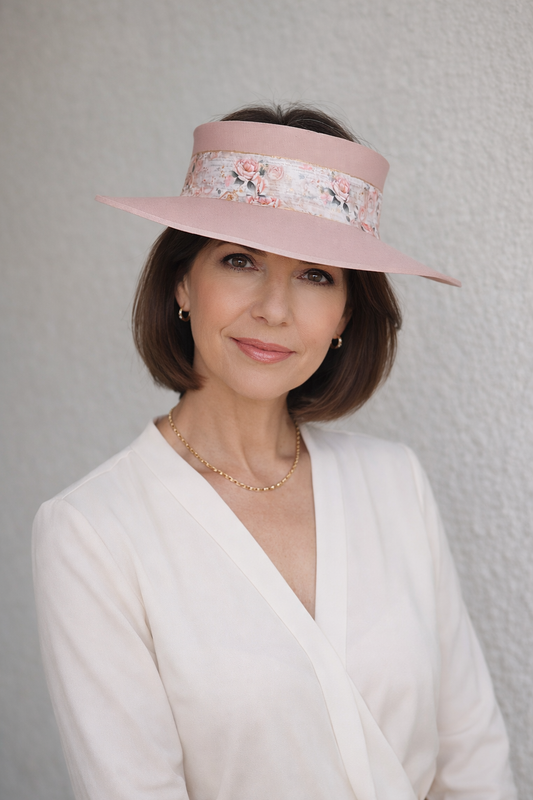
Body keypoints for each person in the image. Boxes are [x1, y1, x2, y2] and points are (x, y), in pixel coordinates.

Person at [32, 104, 517, 800]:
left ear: (346, 312)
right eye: (239, 260)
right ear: (180, 280)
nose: (274, 309)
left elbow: (472, 762)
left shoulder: (394, 484)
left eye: (316, 274)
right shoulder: (92, 531)